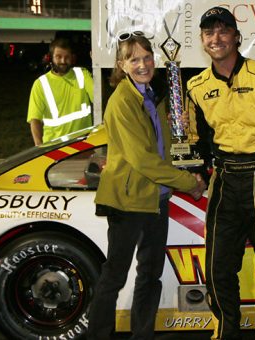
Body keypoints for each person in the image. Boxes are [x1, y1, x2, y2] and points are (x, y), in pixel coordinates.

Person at [186, 7, 255, 339]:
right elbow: (195, 141)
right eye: (209, 33)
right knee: (217, 267)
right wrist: (196, 172)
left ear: (236, 36)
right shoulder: (195, 86)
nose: (216, 39)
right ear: (203, 41)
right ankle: (224, 331)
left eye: (223, 31)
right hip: (224, 181)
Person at [87, 32, 205, 340]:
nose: (143, 64)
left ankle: (143, 334)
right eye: (134, 59)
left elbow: (164, 148)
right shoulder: (122, 102)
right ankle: (98, 335)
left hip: (157, 198)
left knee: (150, 276)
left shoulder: (152, 95)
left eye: (147, 57)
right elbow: (143, 159)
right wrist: (187, 182)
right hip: (128, 202)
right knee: (114, 276)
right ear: (121, 64)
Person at [27, 37, 93, 146]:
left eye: (67, 57)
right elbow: (35, 120)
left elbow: (99, 98)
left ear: (72, 58)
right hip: (56, 150)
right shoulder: (40, 84)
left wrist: (96, 65)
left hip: (83, 146)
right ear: (51, 58)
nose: (63, 61)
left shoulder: (82, 74)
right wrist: (39, 147)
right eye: (58, 57)